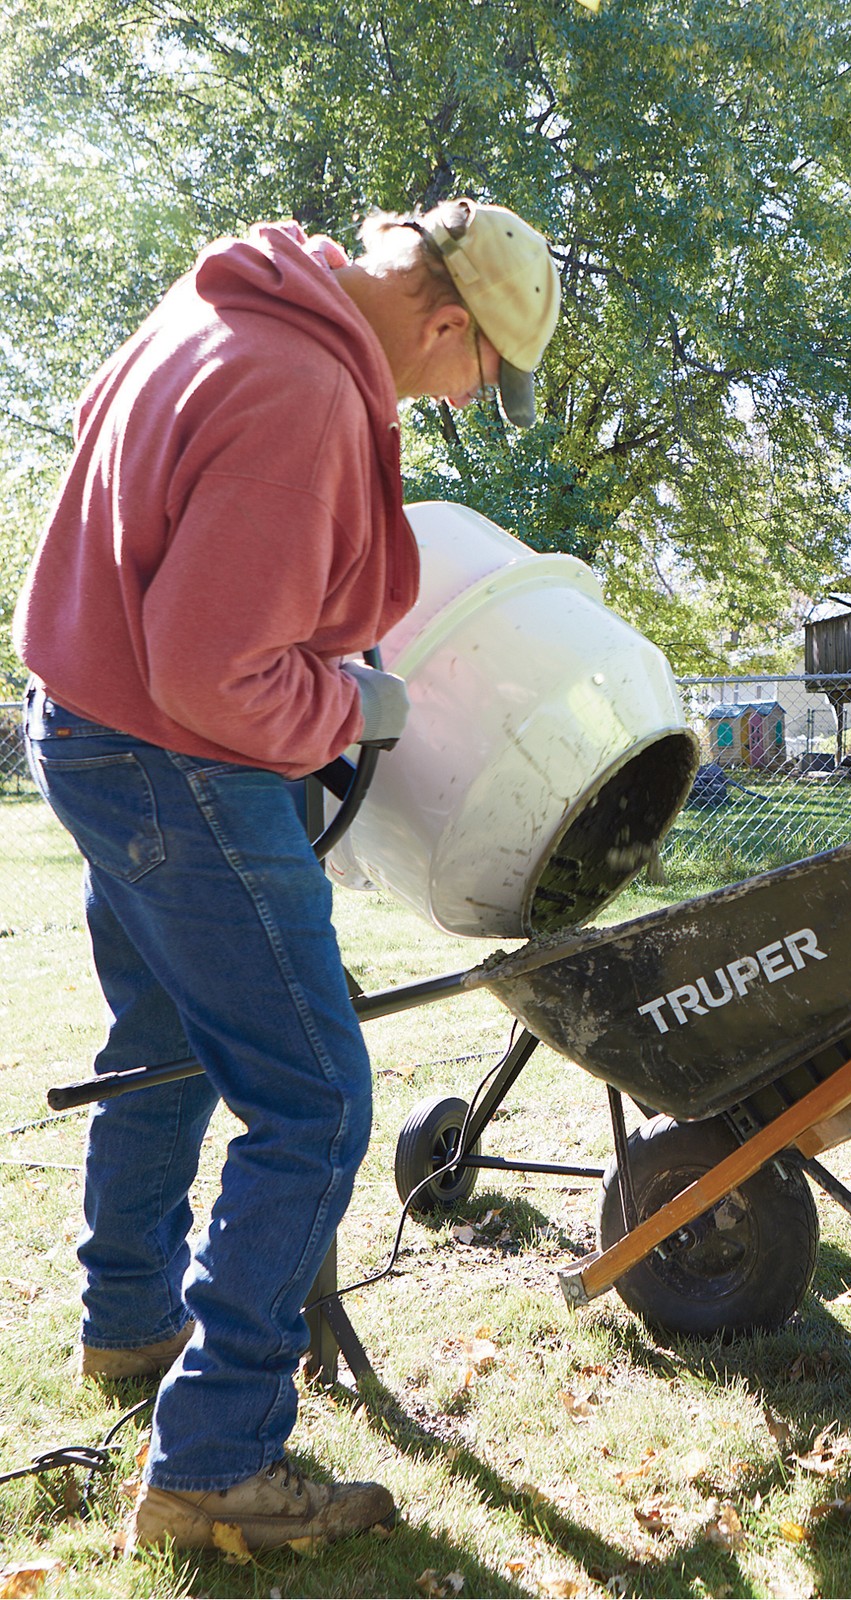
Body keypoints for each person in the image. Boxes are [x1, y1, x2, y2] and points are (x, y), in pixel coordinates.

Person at [14, 195, 560, 1551]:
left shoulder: (223, 301)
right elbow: (215, 671)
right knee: (314, 1099)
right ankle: (218, 1459)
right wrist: (347, 708)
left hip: (86, 728)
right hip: (175, 757)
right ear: (445, 320)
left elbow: (111, 450)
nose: (457, 395)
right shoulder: (310, 387)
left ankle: (131, 1323)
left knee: (166, 1041)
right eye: (475, 372)